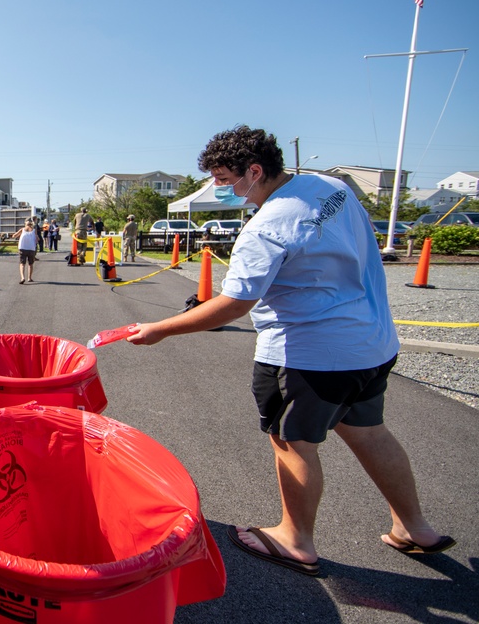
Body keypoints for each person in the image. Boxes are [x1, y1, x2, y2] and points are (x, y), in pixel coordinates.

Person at [127, 125, 454, 577]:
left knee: (292, 442)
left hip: (308, 355)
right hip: (372, 342)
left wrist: (160, 329)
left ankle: (295, 538)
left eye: (224, 179)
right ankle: (415, 527)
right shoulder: (331, 187)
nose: (219, 189)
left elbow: (235, 304)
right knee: (371, 432)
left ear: (254, 171)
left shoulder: (265, 228)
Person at [13, 218, 38, 283]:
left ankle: (22, 277)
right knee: (30, 264)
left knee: (22, 264)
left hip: (22, 248)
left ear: (25, 223)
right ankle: (29, 278)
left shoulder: (22, 229)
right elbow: (37, 239)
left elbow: (14, 236)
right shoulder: (34, 230)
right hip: (31, 248)